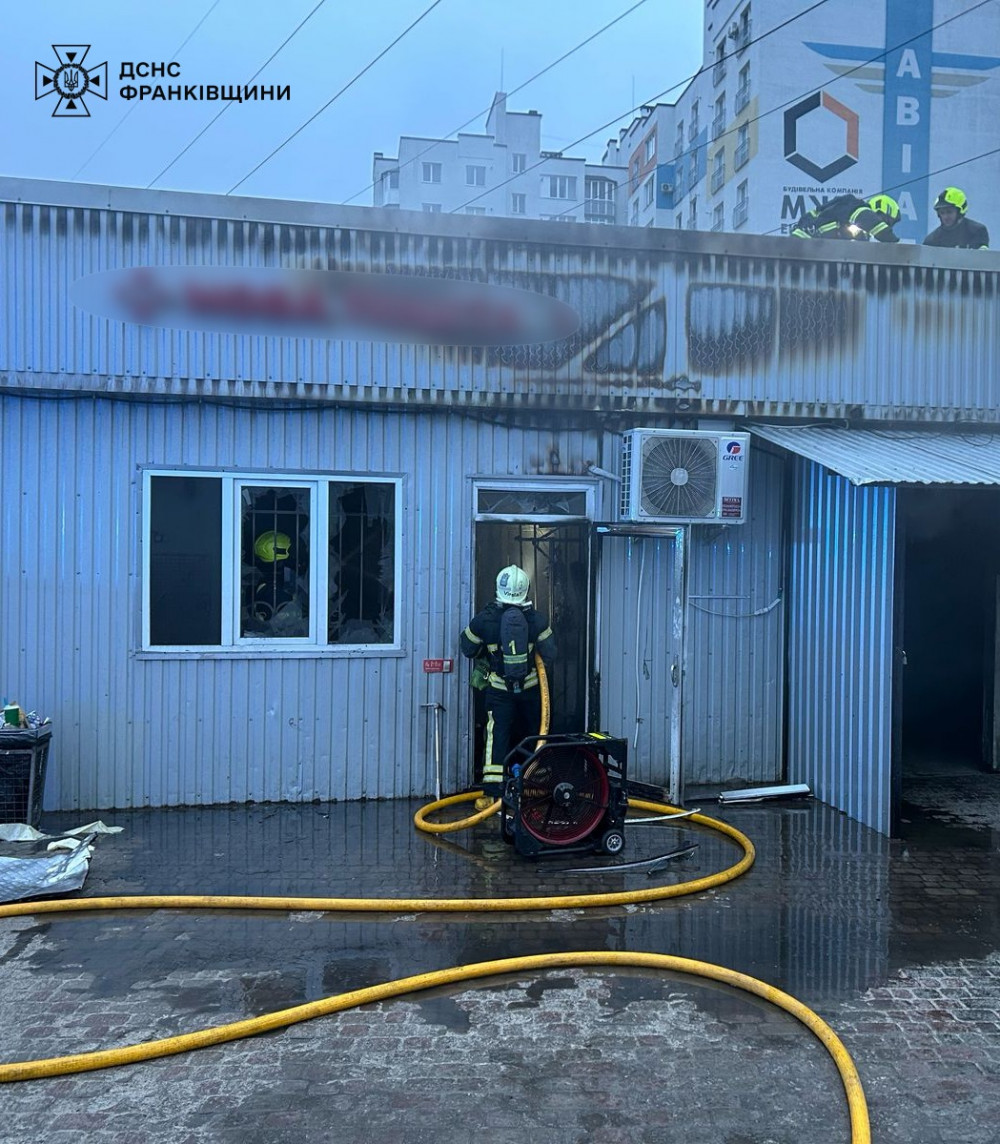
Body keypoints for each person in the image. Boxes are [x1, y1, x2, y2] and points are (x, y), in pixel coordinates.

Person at [460, 564, 556, 795]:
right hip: (531, 689)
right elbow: (551, 653)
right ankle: (537, 786)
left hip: (499, 690)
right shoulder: (538, 621)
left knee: (497, 734)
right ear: (526, 589)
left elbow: (468, 649)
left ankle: (493, 791)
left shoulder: (483, 621)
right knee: (534, 732)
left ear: (498, 588)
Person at [790, 193, 901, 243]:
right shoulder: (858, 208)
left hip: (808, 250)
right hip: (802, 246)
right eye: (887, 221)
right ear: (880, 210)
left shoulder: (859, 230)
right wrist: (897, 246)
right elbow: (880, 230)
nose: (886, 225)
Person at [922, 187, 989, 249]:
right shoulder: (931, 241)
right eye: (942, 213)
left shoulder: (977, 231)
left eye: (949, 212)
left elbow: (980, 257)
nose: (945, 217)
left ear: (960, 212)